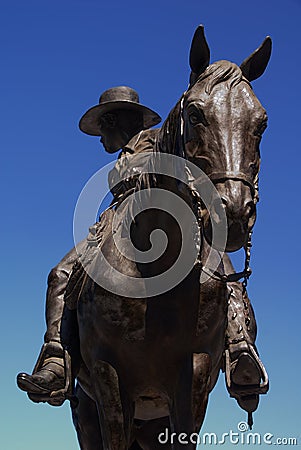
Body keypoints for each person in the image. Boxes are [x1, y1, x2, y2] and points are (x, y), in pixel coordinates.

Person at [17, 86, 267, 415]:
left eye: (101, 128)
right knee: (61, 274)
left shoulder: (159, 137)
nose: (100, 139)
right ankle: (57, 356)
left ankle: (238, 345)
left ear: (113, 120)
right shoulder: (125, 153)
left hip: (168, 217)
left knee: (219, 263)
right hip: (116, 220)